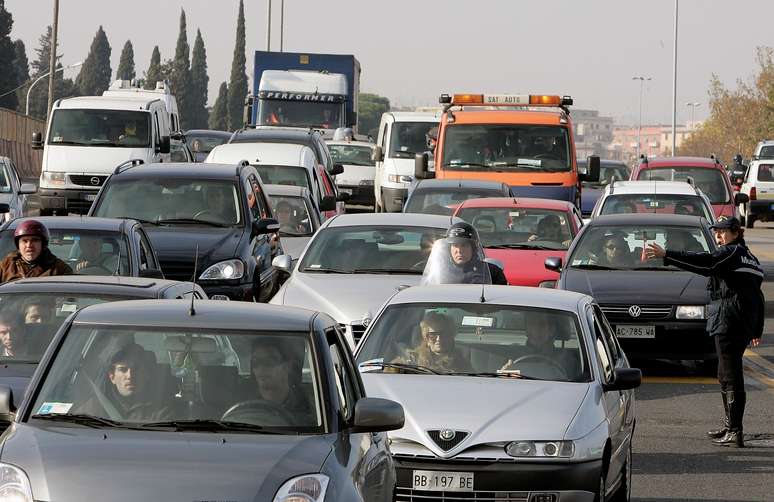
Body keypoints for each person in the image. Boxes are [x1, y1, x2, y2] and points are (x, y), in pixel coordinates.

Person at [645, 216, 764, 447]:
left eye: (723, 231)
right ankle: (730, 426)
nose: (718, 236)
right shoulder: (750, 258)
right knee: (724, 374)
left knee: (731, 376)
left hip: (729, 322)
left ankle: (735, 430)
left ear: (736, 232)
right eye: (716, 232)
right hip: (739, 323)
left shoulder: (732, 253)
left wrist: (667, 255)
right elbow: (757, 297)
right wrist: (756, 329)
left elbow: (705, 263)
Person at [77, 343, 170, 421]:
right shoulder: (95, 406)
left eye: (136, 369)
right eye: (123, 369)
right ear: (112, 377)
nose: (130, 376)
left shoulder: (162, 410)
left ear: (147, 375)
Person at [421, 222, 507, 285]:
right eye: (455, 245)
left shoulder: (492, 272)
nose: (459, 250)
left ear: (473, 248)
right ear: (449, 248)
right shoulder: (437, 271)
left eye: (464, 245)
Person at [500, 311, 578, 379]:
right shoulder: (513, 356)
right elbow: (503, 382)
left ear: (551, 329)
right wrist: (504, 371)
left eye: (542, 324)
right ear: (527, 330)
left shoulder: (567, 359)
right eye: (532, 323)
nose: (536, 329)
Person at [393, 311, 472, 373]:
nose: (438, 339)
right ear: (426, 338)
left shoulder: (461, 363)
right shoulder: (413, 359)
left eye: (443, 334)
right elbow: (390, 372)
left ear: (451, 336)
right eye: (433, 335)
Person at [250, 337, 311, 417]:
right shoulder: (241, 402)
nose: (261, 368)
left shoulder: (308, 407)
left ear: (288, 366)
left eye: (269, 361)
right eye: (256, 362)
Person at [0, 220, 72, 284]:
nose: (29, 245)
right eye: (24, 241)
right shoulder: (5, 266)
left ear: (43, 244)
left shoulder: (60, 269)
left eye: (35, 240)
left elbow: (71, 297)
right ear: (18, 244)